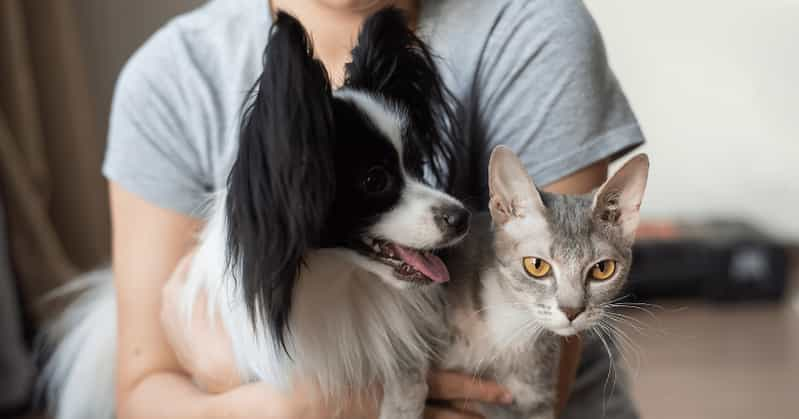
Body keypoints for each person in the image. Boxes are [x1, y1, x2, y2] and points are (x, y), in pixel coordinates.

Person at [106, 0, 644, 418]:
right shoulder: (169, 78)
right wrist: (292, 406)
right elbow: (144, 393)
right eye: (376, 182)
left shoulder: (531, 26)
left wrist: (229, 371)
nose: (448, 209)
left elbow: (514, 397)